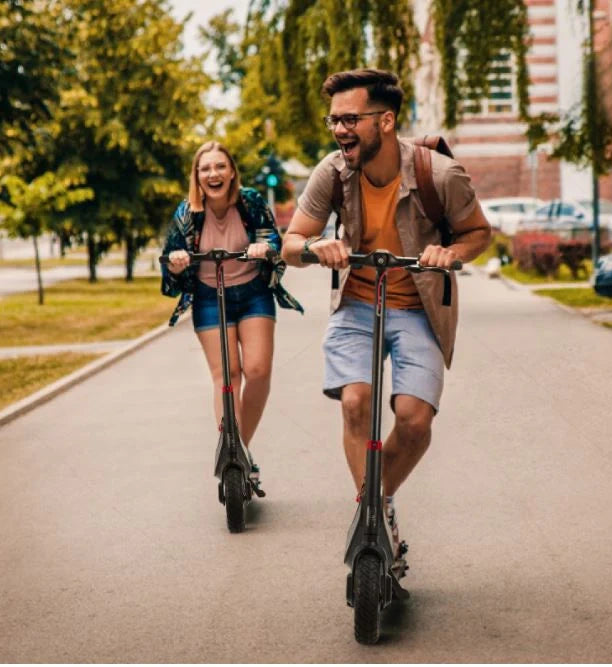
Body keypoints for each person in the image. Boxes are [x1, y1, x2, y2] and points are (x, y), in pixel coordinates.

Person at [281, 69, 491, 557]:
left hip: (418, 308)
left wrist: (451, 254)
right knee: (356, 402)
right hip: (356, 304)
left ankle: (373, 505)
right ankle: (374, 524)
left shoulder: (439, 174)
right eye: (334, 120)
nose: (339, 130)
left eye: (350, 119)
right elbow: (291, 244)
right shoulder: (331, 172)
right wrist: (316, 246)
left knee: (415, 421)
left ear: (387, 120)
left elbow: (478, 232)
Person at [161, 140, 303, 476]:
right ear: (197, 176)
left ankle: (241, 448)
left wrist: (262, 247)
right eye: (206, 168)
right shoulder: (187, 213)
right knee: (226, 376)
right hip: (210, 297)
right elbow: (170, 258)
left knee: (257, 371)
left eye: (220, 166)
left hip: (253, 293)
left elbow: (274, 240)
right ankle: (233, 454)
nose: (214, 173)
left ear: (232, 172)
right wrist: (177, 262)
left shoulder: (249, 201)